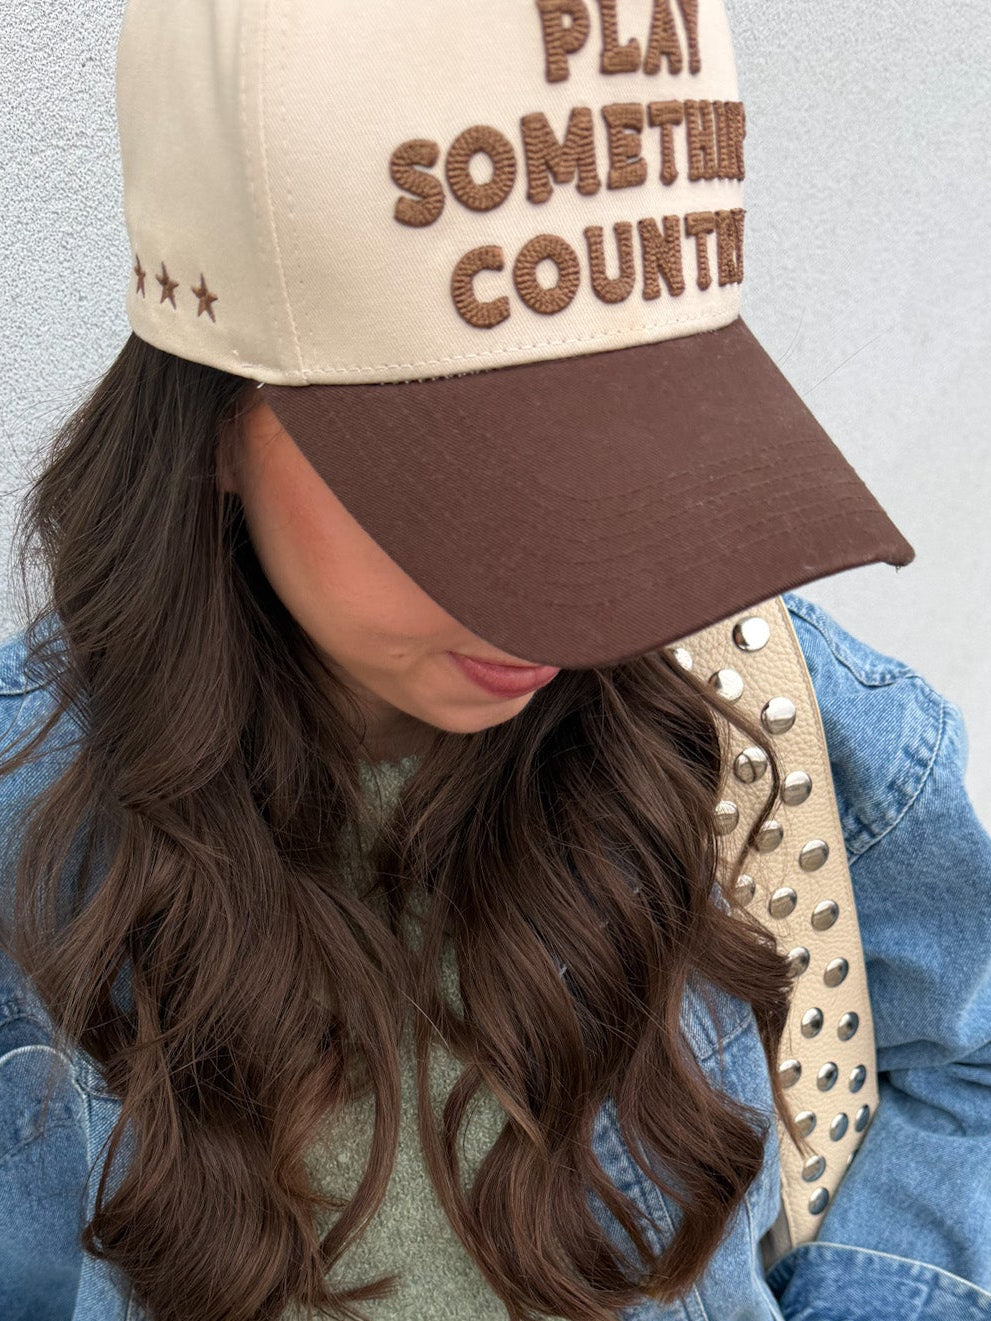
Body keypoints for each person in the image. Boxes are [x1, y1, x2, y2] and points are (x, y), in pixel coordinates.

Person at [1, 2, 989, 1320]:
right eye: (448, 484)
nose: (550, 604)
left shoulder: (773, 717)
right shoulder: (29, 816)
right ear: (213, 424)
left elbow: (962, 1060)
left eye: (627, 452)